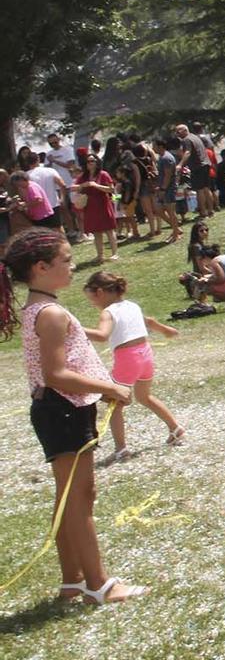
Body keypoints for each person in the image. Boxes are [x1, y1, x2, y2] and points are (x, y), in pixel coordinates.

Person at [2, 228, 143, 604]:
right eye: (66, 260)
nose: (73, 266)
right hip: (60, 410)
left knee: (75, 496)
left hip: (65, 409)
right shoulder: (49, 313)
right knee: (78, 500)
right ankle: (99, 585)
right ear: (41, 267)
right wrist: (111, 387)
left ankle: (73, 581)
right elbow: (56, 373)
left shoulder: (45, 307)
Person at [80, 270, 186, 460]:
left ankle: (121, 449)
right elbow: (149, 322)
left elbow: (102, 336)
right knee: (144, 396)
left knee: (115, 404)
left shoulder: (108, 312)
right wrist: (166, 330)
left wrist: (73, 328)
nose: (93, 304)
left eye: (92, 299)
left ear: (100, 293)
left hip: (127, 358)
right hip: (145, 354)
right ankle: (175, 428)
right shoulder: (131, 305)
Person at [72, 152, 117, 264]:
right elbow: (73, 188)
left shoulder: (103, 174)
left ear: (97, 163)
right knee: (96, 231)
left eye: (92, 161)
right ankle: (100, 255)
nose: (90, 163)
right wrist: (84, 185)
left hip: (103, 203)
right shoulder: (84, 176)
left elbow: (111, 189)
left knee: (109, 230)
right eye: (88, 161)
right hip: (90, 206)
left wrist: (96, 185)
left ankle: (114, 253)